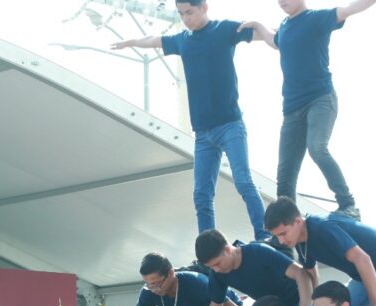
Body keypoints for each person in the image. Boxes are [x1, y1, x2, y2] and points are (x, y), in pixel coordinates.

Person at [112, 1, 269, 240]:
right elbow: (154, 40)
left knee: (243, 182)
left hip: (230, 125)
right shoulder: (182, 40)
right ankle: (209, 248)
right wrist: (131, 42)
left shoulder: (223, 29)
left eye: (190, 13)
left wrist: (266, 27)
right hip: (203, 133)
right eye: (181, 14)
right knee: (201, 195)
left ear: (204, 7)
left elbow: (261, 34)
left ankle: (264, 235)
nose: (186, 19)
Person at [242, 0, 376, 219]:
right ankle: (286, 221)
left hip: (320, 100)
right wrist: (257, 24)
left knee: (317, 148)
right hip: (291, 109)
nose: (282, 2)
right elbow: (274, 41)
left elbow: (348, 10)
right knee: (285, 172)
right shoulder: (285, 27)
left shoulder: (316, 19)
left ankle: (348, 204)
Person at [265, 197, 376, 306]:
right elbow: (311, 275)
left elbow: (362, 258)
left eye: (283, 233)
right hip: (361, 276)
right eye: (277, 236)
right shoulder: (300, 243)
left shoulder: (321, 227)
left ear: (298, 221)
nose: (281, 241)